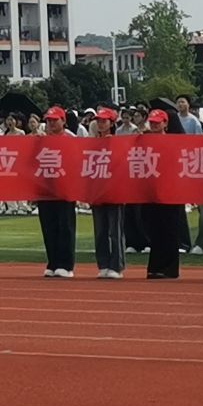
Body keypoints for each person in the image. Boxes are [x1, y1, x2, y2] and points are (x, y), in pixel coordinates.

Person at [139, 109, 184, 280]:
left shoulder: (174, 141)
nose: (154, 125)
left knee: (170, 228)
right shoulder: (144, 140)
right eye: (152, 122)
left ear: (165, 123)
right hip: (151, 190)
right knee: (154, 228)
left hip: (171, 190)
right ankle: (155, 266)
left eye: (158, 122)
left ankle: (170, 268)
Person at [36, 106, 77, 278]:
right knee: (48, 226)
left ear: (63, 121)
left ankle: (66, 264)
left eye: (54, 120)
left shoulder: (71, 139)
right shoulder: (41, 140)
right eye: (49, 120)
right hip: (45, 190)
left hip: (65, 190)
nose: (51, 123)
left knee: (65, 226)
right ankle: (52, 262)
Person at [89, 108, 126, 280]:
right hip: (97, 192)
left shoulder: (118, 142)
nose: (100, 124)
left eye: (104, 121)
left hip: (114, 192)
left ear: (111, 123)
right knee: (100, 231)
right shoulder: (92, 143)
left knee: (115, 231)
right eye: (98, 121)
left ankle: (116, 265)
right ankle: (103, 263)